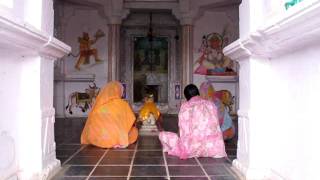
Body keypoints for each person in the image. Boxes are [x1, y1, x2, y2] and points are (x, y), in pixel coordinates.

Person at [159, 84, 226, 159]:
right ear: (198, 93)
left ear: (186, 96)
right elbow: (216, 125)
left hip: (192, 148)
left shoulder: (186, 106)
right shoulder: (210, 104)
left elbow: (183, 129)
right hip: (215, 148)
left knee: (162, 135)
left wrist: (180, 138)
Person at [81, 81, 138, 148]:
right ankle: (116, 141)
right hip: (114, 137)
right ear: (119, 91)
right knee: (134, 131)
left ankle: (107, 140)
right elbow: (131, 119)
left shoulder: (99, 105)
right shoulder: (122, 104)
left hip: (96, 138)